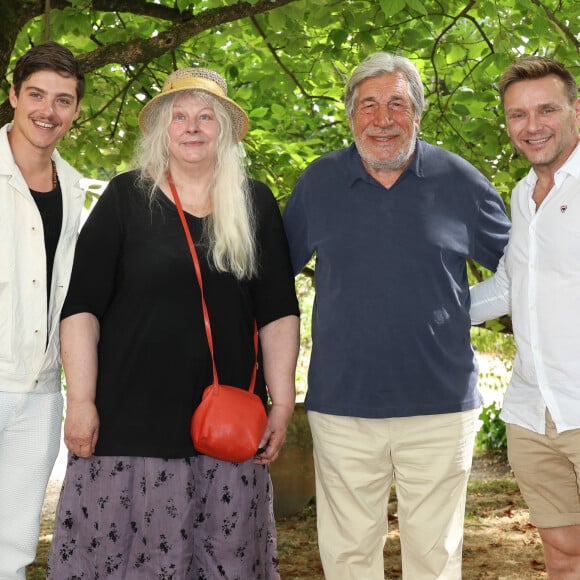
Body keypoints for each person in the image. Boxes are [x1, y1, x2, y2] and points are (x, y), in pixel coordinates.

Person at [46, 67, 300, 578]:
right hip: (129, 429)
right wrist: (81, 403)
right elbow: (81, 309)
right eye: (179, 116)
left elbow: (277, 311)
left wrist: (284, 400)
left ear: (224, 130)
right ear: (162, 128)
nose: (192, 127)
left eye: (206, 116)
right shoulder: (124, 198)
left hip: (227, 431)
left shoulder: (255, 203)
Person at [282, 52, 511, 579]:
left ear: (418, 114)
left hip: (440, 406)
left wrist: (458, 313)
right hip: (342, 406)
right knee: (347, 556)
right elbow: (270, 279)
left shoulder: (460, 181)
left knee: (434, 557)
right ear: (349, 115)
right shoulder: (318, 183)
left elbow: (524, 271)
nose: (383, 119)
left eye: (397, 104)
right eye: (369, 105)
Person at [470, 56, 580, 578]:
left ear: (576, 110)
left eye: (546, 110)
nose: (531, 126)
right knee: (562, 555)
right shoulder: (521, 195)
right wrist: (422, 312)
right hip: (534, 412)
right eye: (517, 115)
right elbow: (512, 289)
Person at [0, 42, 85, 578]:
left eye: (62, 100)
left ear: (75, 111)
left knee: (13, 545)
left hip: (39, 392)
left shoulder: (75, 188)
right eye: (36, 94)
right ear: (12, 95)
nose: (47, 111)